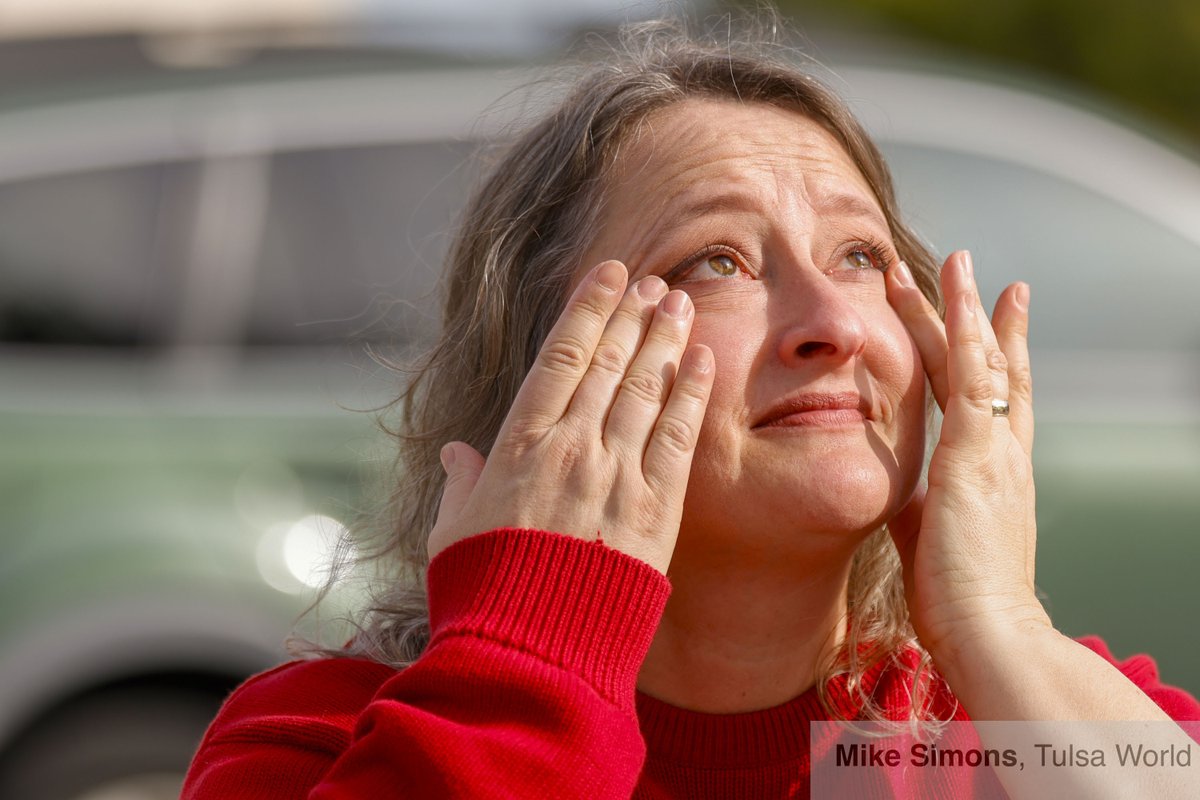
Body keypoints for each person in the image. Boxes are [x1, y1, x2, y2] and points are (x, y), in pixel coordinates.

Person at [182, 17, 1199, 799]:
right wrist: (526, 656)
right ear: (548, 366)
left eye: (860, 254)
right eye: (719, 260)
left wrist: (1001, 626)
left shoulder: (1019, 721)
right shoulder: (314, 742)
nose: (834, 323)